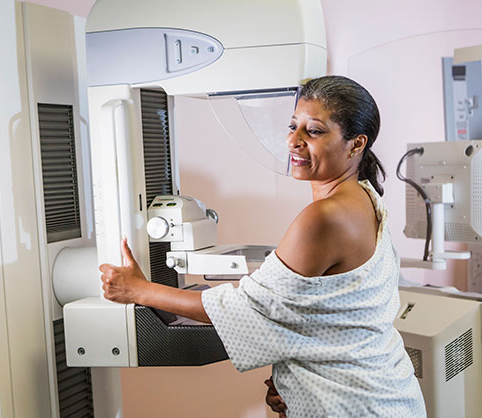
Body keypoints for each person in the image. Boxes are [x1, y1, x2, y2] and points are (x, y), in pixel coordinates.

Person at [99, 75, 426, 417]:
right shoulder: (366, 198)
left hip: (358, 404)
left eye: (313, 131)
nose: (293, 141)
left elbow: (247, 308)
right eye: (292, 126)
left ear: (356, 144)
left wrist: (137, 290)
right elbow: (333, 318)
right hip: (380, 394)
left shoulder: (325, 217)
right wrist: (297, 383)